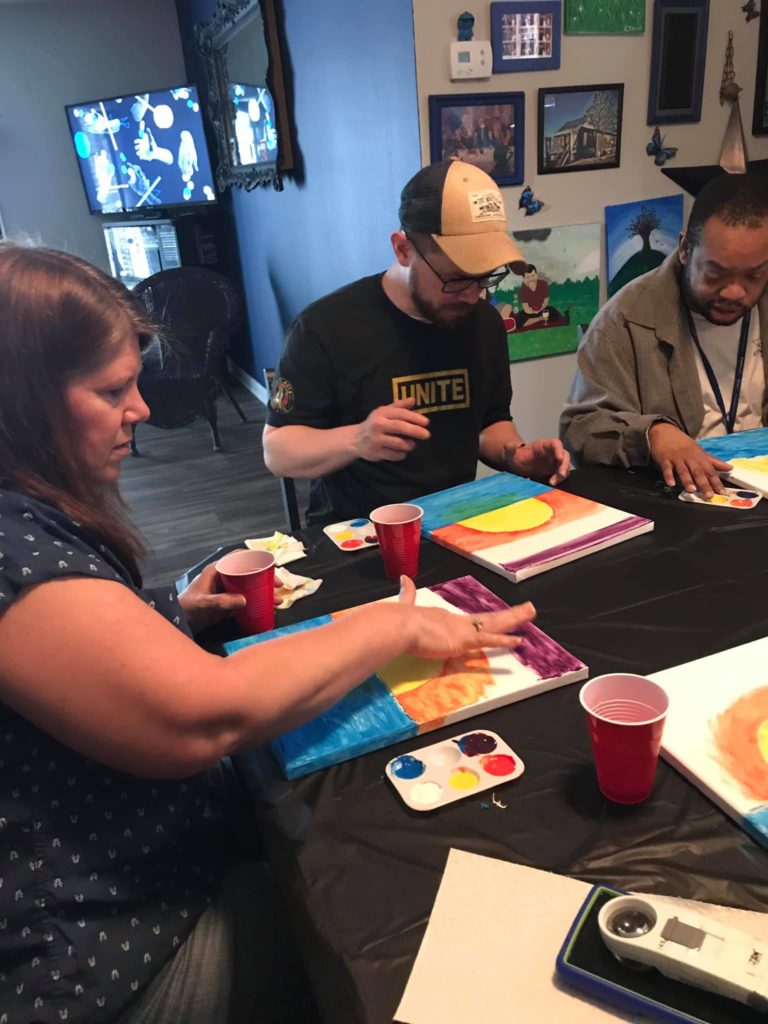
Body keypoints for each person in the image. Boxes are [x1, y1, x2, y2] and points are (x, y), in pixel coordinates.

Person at [0, 243, 537, 1024]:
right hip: (89, 957)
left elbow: (62, 655)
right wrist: (392, 624)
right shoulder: (14, 550)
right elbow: (207, 716)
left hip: (131, 868)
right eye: (111, 389)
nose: (142, 409)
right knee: (383, 923)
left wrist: (161, 617)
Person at [262, 160, 570, 525]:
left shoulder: (484, 323)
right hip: (359, 535)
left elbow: (490, 423)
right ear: (403, 249)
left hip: (456, 523)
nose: (472, 296)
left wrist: (514, 455)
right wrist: (358, 439)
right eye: (456, 279)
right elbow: (277, 451)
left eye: (484, 278)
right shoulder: (325, 327)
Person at [560, 172, 768, 498]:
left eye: (754, 275)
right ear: (685, 249)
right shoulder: (624, 322)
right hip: (677, 502)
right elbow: (580, 430)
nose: (735, 292)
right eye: (716, 273)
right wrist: (653, 434)